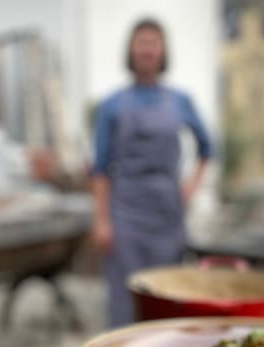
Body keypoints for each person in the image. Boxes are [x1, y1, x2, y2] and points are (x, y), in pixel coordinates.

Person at [91, 17, 212, 326]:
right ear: (131, 51)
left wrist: (190, 187)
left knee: (167, 294)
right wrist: (102, 220)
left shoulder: (182, 101)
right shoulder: (112, 105)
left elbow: (207, 150)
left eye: (153, 42)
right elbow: (100, 168)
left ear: (163, 51)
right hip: (126, 213)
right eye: (141, 42)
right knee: (125, 296)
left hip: (167, 212)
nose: (147, 49)